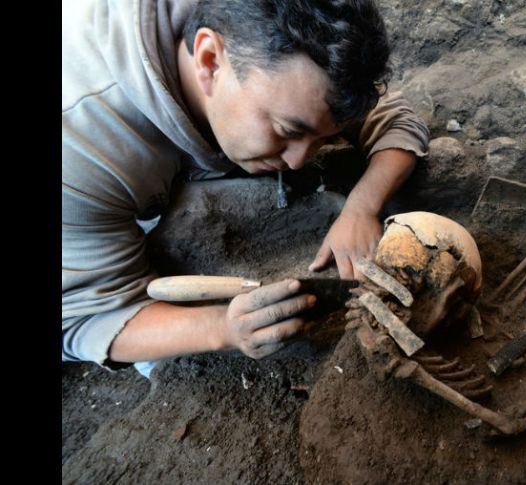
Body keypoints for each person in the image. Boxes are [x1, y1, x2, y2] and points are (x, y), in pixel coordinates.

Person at [62, 0, 430, 374]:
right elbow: (80, 321)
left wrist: (362, 207)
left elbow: (396, 118)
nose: (298, 160)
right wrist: (221, 327)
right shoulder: (81, 144)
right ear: (209, 61)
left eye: (322, 138)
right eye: (289, 131)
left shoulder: (275, 51)